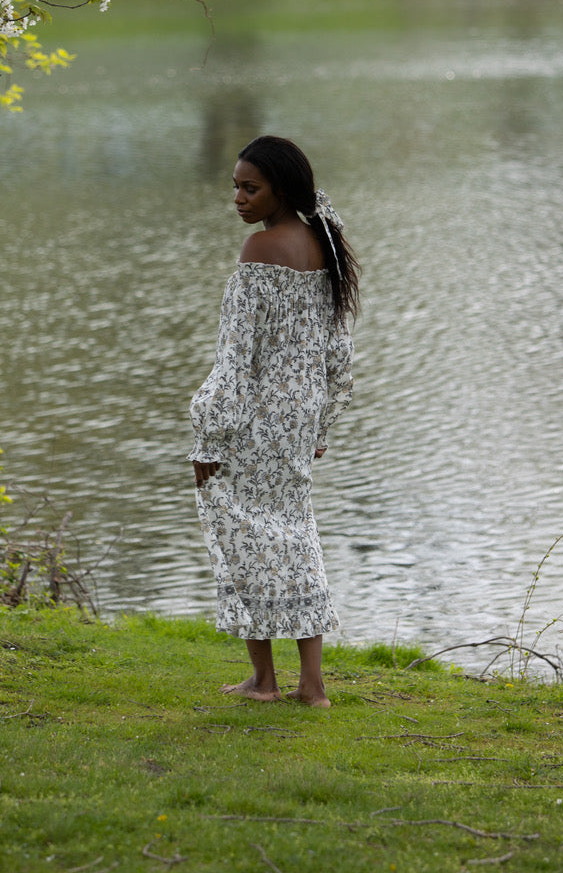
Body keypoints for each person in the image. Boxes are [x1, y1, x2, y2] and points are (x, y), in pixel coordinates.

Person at [189, 135, 359, 707]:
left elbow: (237, 357)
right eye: (235, 186)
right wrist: (320, 426)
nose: (238, 197)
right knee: (294, 534)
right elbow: (339, 353)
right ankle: (311, 686)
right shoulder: (322, 244)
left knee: (241, 534)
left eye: (250, 187)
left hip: (256, 418)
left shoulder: (259, 251)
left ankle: (265, 681)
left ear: (281, 190)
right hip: (300, 414)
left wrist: (210, 435)